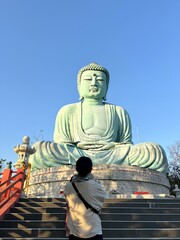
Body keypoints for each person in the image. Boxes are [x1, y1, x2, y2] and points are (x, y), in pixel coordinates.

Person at [29, 62, 168, 174]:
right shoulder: (67, 110)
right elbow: (61, 142)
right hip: (77, 154)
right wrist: (77, 146)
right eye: (88, 79)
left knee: (154, 150)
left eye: (100, 80)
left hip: (113, 154)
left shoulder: (119, 111)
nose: (94, 83)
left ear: (107, 86)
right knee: (39, 150)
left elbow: (126, 143)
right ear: (79, 86)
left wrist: (113, 146)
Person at [64, 156, 108, 240]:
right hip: (93, 229)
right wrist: (94, 179)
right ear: (91, 169)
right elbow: (104, 197)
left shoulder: (69, 186)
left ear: (76, 168)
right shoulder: (95, 185)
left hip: (74, 229)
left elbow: (68, 205)